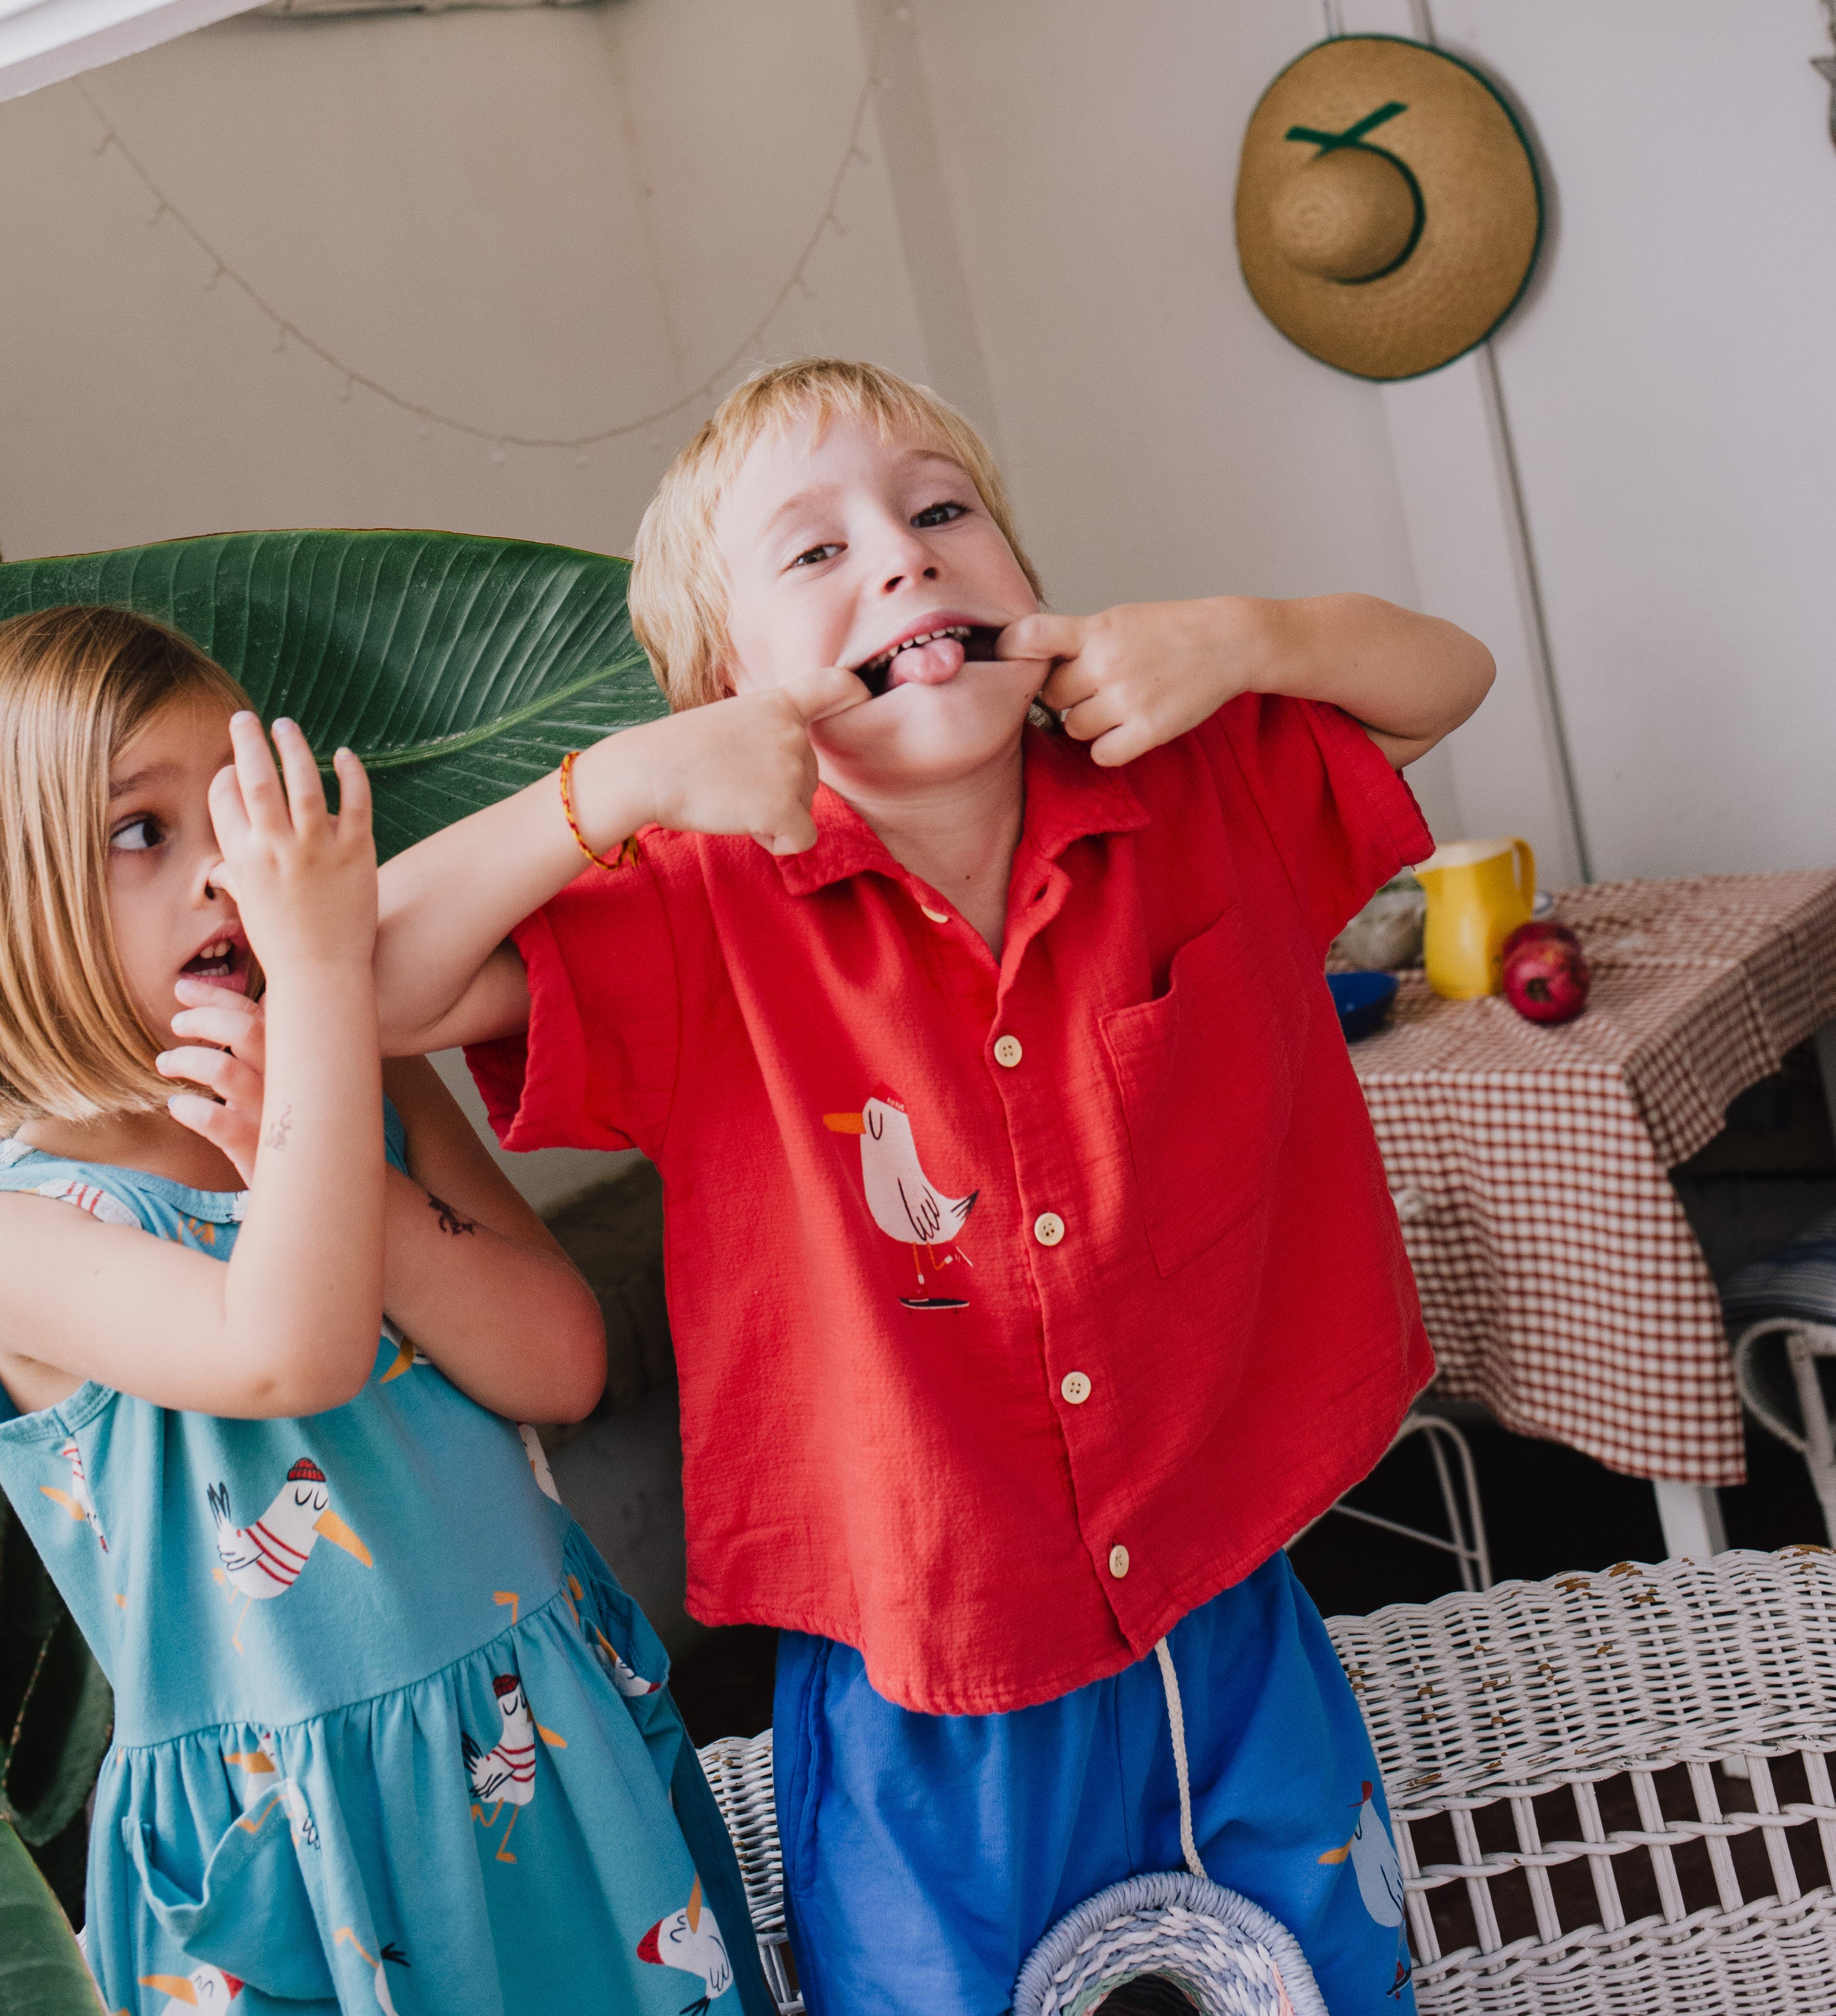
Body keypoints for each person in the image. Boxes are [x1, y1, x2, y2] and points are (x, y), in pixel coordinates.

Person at [374, 359, 1495, 2016]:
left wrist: (1246, 638)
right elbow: (364, 990)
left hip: (1224, 1596)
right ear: (721, 690)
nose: (901, 559)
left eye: (939, 510)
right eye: (811, 554)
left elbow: (1442, 679)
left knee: (1328, 1986)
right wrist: (615, 789)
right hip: (922, 1660)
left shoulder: (1203, 782)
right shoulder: (691, 905)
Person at [0, 606, 765, 2016]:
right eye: (145, 833)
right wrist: (314, 999)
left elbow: (558, 1361)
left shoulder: (362, 1080)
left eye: (250, 813)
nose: (234, 878)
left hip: (547, 1751)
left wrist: (320, 1093)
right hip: (309, 1857)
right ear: (6, 903)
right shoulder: (10, 1239)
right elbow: (285, 1350)